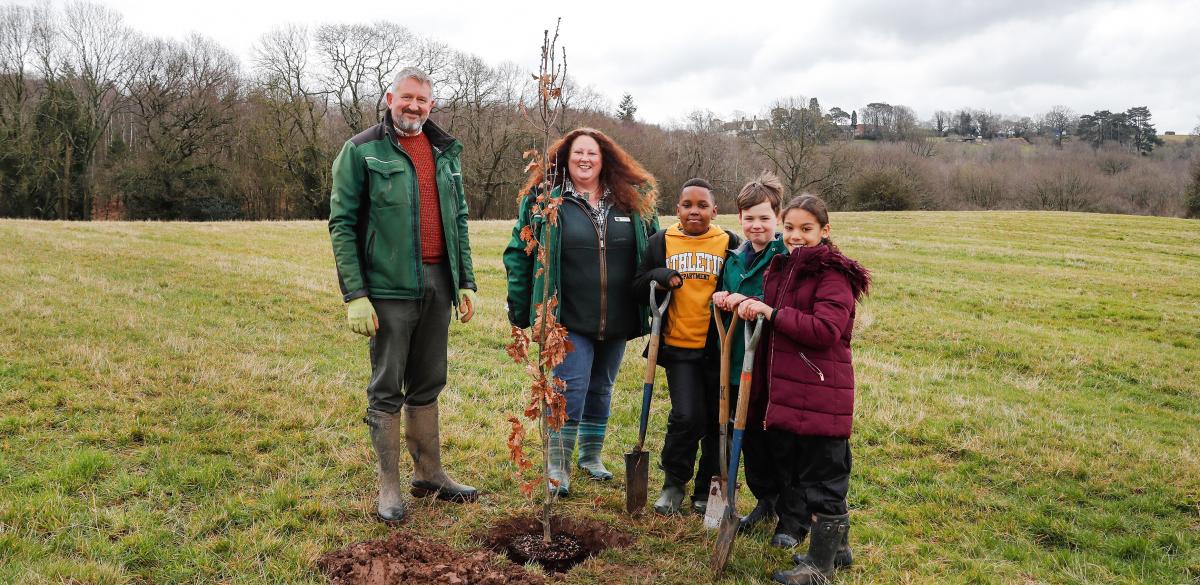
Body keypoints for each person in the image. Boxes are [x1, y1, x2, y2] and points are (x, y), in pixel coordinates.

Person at [328, 66, 479, 523]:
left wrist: (465, 280)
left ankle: (430, 473)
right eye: (407, 97)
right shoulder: (360, 151)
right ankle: (389, 486)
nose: (414, 106)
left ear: (431, 106)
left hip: (438, 283)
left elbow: (459, 220)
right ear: (390, 97)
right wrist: (355, 293)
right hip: (387, 290)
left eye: (423, 100)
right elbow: (342, 224)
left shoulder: (445, 152)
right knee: (387, 385)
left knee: (429, 380)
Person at [503, 127, 658, 497]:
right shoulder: (545, 201)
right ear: (565, 159)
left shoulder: (630, 202)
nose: (585, 159)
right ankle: (558, 465)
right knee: (570, 388)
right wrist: (521, 307)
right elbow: (518, 253)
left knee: (602, 386)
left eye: (592, 153)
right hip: (568, 314)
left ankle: (591, 456)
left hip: (618, 314)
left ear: (605, 158)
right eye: (577, 154)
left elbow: (654, 246)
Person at [735, 194, 870, 585]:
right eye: (789, 227)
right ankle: (838, 549)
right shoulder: (783, 267)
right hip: (794, 389)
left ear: (824, 231)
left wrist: (772, 314)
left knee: (825, 476)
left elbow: (826, 330)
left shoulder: (833, 274)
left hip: (822, 390)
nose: (795, 236)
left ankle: (820, 567)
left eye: (806, 229)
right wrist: (752, 305)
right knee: (814, 470)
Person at [632, 178, 740, 515]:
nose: (695, 211)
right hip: (679, 345)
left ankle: (708, 488)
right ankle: (674, 483)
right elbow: (638, 283)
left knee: (716, 421)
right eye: (688, 205)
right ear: (677, 209)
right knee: (686, 415)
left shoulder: (729, 243)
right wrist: (661, 275)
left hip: (719, 347)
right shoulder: (661, 241)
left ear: (714, 211)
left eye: (702, 206)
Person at [710, 172, 789, 540]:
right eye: (749, 218)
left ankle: (792, 511)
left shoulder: (785, 258)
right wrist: (724, 299)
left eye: (764, 218)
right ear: (739, 218)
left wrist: (751, 303)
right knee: (750, 437)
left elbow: (782, 307)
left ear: (778, 217)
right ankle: (765, 501)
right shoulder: (735, 259)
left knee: (774, 438)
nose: (756, 225)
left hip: (772, 362)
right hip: (738, 357)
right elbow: (729, 297)